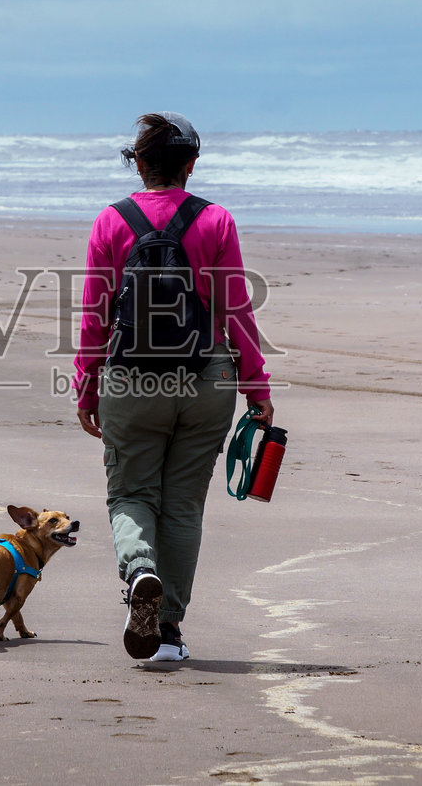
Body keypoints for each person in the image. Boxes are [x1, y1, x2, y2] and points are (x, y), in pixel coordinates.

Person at [74, 112, 274, 662]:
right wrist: (256, 385)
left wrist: (85, 387)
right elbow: (236, 308)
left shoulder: (110, 222)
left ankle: (140, 571)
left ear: (138, 163)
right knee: (183, 506)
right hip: (207, 376)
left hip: (131, 379)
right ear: (191, 164)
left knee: (132, 493)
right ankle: (167, 634)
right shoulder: (216, 220)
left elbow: (94, 315)